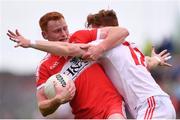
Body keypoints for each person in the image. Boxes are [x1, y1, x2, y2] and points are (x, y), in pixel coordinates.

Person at [7, 11, 129, 119]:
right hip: (83, 116)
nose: (64, 34)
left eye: (65, 28)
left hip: (112, 105)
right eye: (57, 31)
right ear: (45, 35)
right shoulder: (44, 67)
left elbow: (122, 32)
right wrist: (58, 99)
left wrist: (100, 48)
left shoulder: (80, 37)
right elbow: (42, 108)